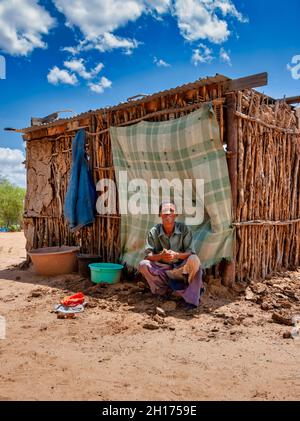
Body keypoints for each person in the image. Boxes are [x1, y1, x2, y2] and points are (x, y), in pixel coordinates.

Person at [138, 201, 204, 308]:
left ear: (176, 215)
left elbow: (190, 252)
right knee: (143, 264)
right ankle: (166, 292)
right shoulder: (154, 231)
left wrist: (176, 255)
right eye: (165, 211)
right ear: (160, 215)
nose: (168, 214)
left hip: (182, 269)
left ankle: (190, 297)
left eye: (171, 211)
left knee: (194, 259)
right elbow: (148, 256)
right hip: (164, 270)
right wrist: (161, 256)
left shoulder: (184, 229)